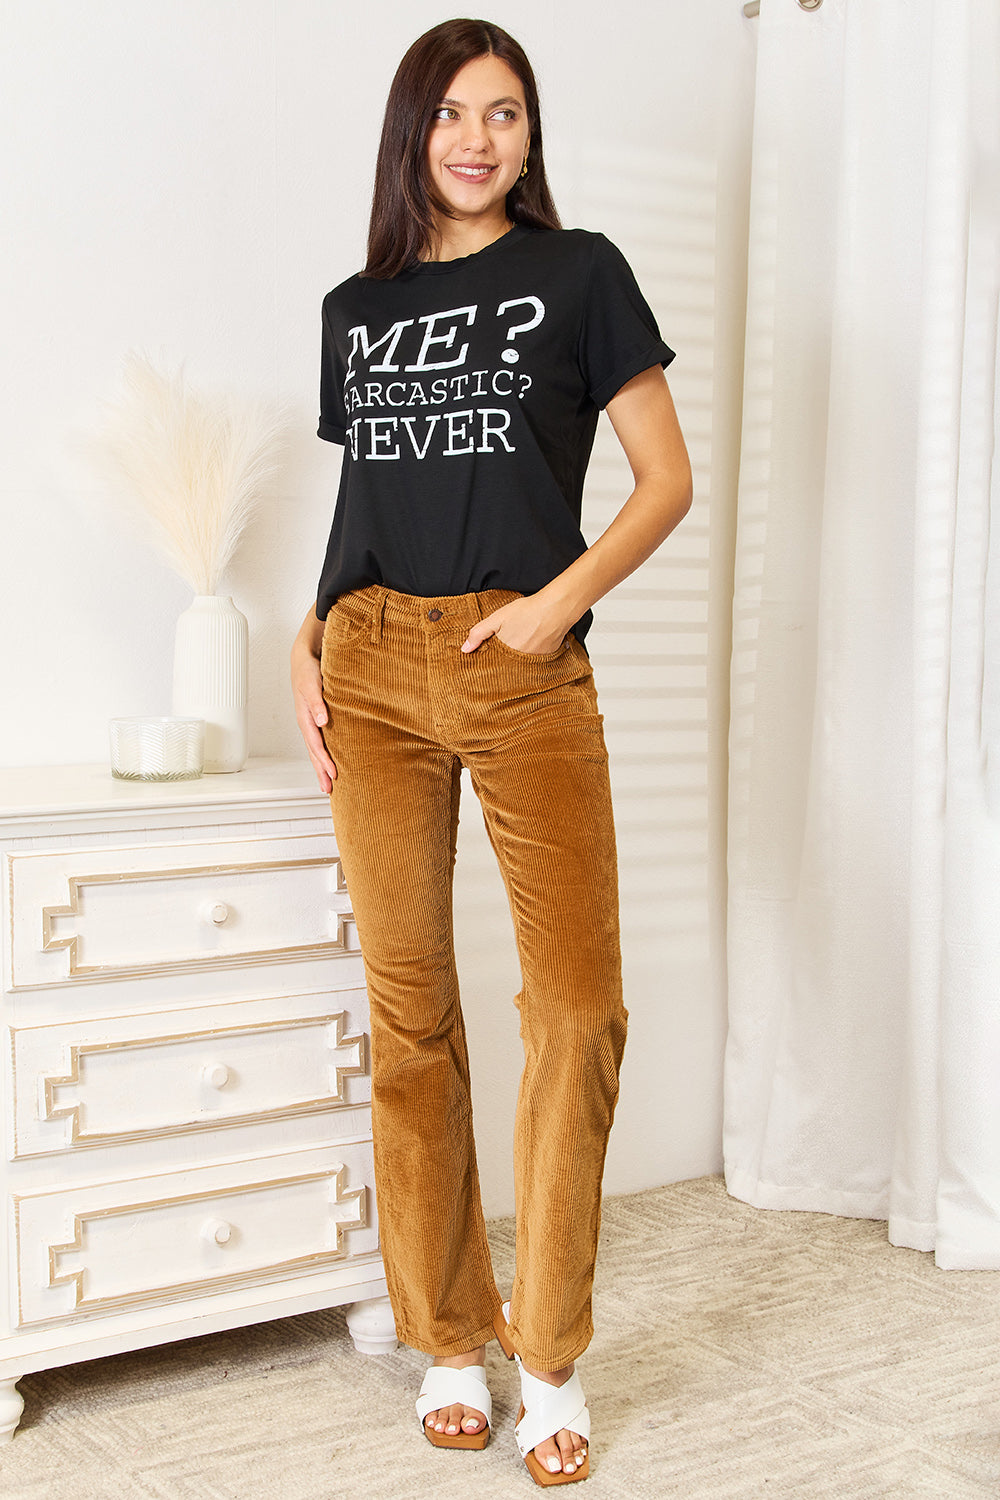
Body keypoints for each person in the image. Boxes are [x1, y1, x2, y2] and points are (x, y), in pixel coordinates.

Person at [291, 17, 692, 1486]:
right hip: (374, 665)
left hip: (522, 669)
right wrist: (307, 630)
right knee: (412, 1018)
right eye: (451, 114)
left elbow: (666, 481)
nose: (477, 137)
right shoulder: (359, 306)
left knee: (578, 1011)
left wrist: (556, 609)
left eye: (504, 113)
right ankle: (447, 1338)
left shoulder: (581, 276)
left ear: (530, 134)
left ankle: (552, 1352)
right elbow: (366, 497)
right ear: (413, 136)